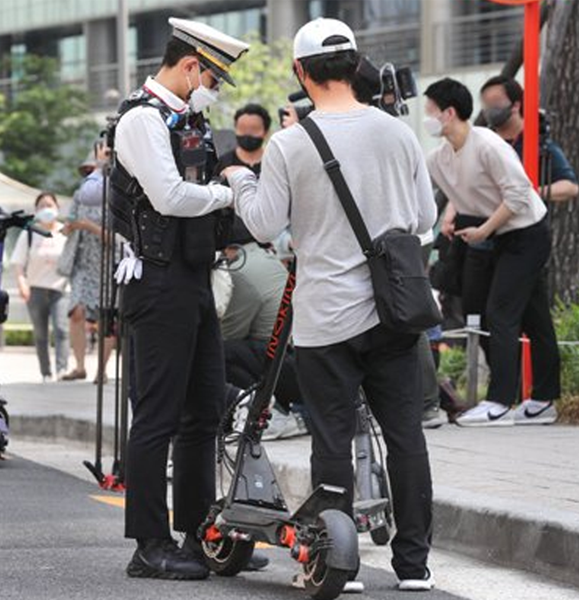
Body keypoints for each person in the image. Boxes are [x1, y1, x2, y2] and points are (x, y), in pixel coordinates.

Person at [224, 18, 437, 591]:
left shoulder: (291, 144)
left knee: (332, 440)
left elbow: (265, 223)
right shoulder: (398, 133)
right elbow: (424, 220)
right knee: (405, 438)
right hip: (394, 314)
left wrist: (239, 181)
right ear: (354, 65)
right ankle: (414, 567)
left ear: (301, 72)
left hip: (326, 319)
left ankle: (338, 564)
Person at [110, 17, 249, 580]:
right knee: (157, 416)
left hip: (191, 277)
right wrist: (231, 190)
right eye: (212, 77)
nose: (213, 89)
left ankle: (195, 532)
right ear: (191, 66)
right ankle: (149, 544)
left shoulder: (187, 118)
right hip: (156, 281)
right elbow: (167, 197)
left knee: (205, 410)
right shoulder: (142, 121)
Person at [424, 78, 561, 427]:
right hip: (500, 236)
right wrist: (456, 217)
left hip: (527, 233)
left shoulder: (488, 145)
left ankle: (500, 401)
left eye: (430, 110)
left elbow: (518, 194)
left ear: (449, 113)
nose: (426, 117)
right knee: (535, 318)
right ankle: (544, 401)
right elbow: (454, 190)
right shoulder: (439, 158)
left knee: (500, 311)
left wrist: (483, 230)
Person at [215, 218, 307, 440]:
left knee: (223, 353)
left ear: (230, 248)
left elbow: (229, 333)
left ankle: (268, 414)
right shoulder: (265, 258)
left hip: (286, 366)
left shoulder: (238, 270)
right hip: (300, 361)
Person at [60, 143, 116, 383]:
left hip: (106, 262)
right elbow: (71, 221)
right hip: (82, 260)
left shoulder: (114, 195)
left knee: (106, 316)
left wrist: (87, 226)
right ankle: (80, 365)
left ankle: (101, 369)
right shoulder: (80, 194)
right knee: (76, 312)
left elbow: (115, 238)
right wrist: (70, 226)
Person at [480, 75, 579, 203]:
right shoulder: (483, 143)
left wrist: (530, 193)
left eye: (496, 101)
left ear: (516, 105)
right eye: (486, 104)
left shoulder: (538, 143)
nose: (490, 109)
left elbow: (570, 187)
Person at [9, 192, 69, 382]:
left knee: (61, 329)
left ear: (58, 209)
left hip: (61, 289)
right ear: (36, 211)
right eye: (42, 206)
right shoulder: (29, 233)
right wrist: (21, 283)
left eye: (50, 205)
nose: (46, 210)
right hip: (35, 289)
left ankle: (62, 369)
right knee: (41, 333)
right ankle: (46, 372)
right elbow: (18, 263)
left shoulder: (65, 232)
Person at [215, 103, 271, 176]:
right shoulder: (223, 163)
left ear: (266, 133)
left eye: (254, 129)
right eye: (242, 128)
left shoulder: (273, 162)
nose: (247, 133)